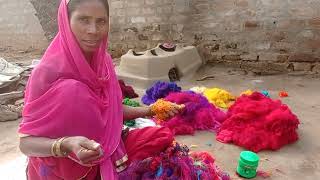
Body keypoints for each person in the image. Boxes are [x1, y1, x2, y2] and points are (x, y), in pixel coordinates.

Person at [18, 0, 181, 179]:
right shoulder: (46, 72)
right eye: (84, 20)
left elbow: (112, 110)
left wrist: (151, 109)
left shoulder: (104, 63)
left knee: (161, 136)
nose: (93, 30)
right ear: (66, 21)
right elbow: (26, 144)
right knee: (72, 90)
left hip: (104, 150)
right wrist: (66, 145)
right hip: (62, 167)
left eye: (101, 21)